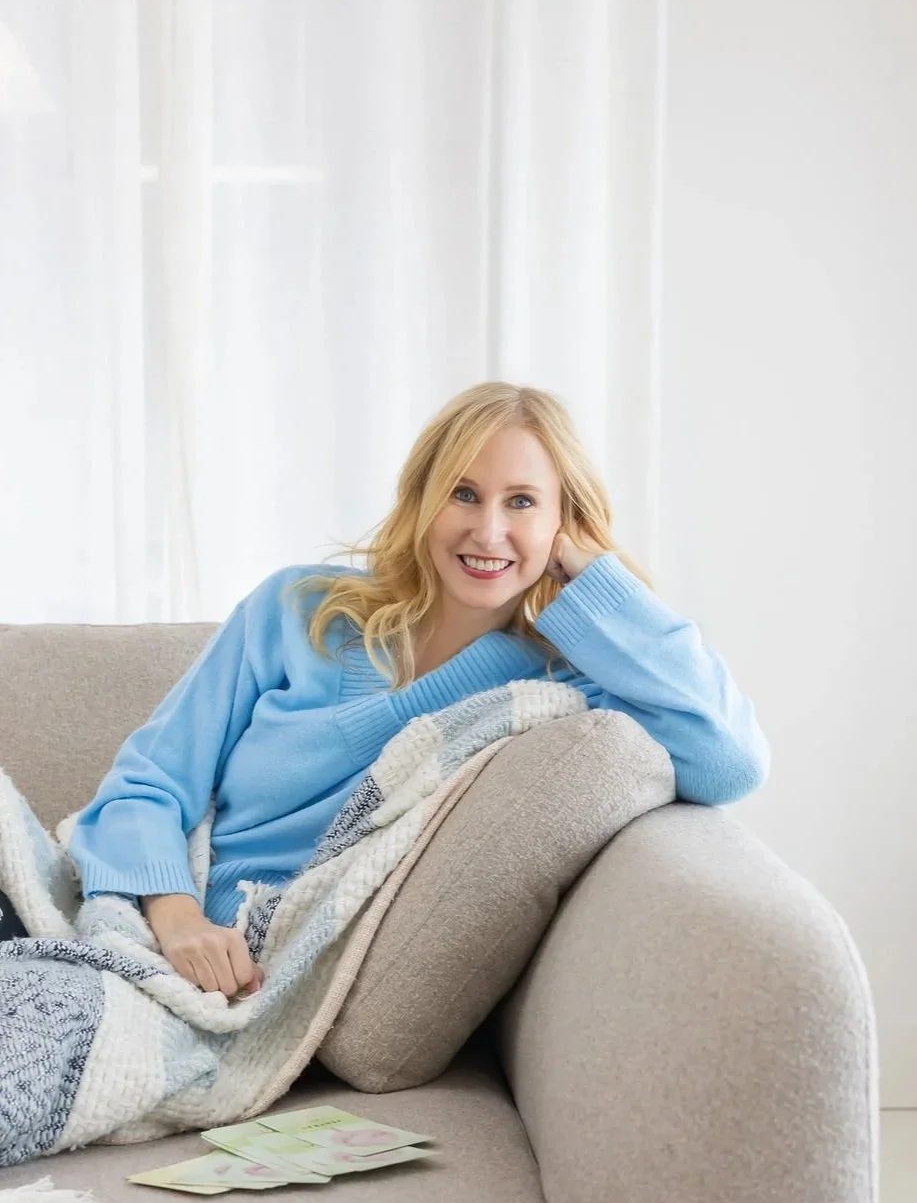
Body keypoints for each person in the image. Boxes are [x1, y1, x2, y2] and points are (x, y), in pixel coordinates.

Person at [0, 383, 770, 996]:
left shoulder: (555, 694)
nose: (488, 531)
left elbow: (730, 763)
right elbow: (150, 782)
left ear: (567, 523)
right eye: (462, 494)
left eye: (523, 502)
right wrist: (176, 919)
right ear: (422, 499)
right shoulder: (299, 610)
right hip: (137, 914)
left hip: (262, 962)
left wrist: (602, 585)